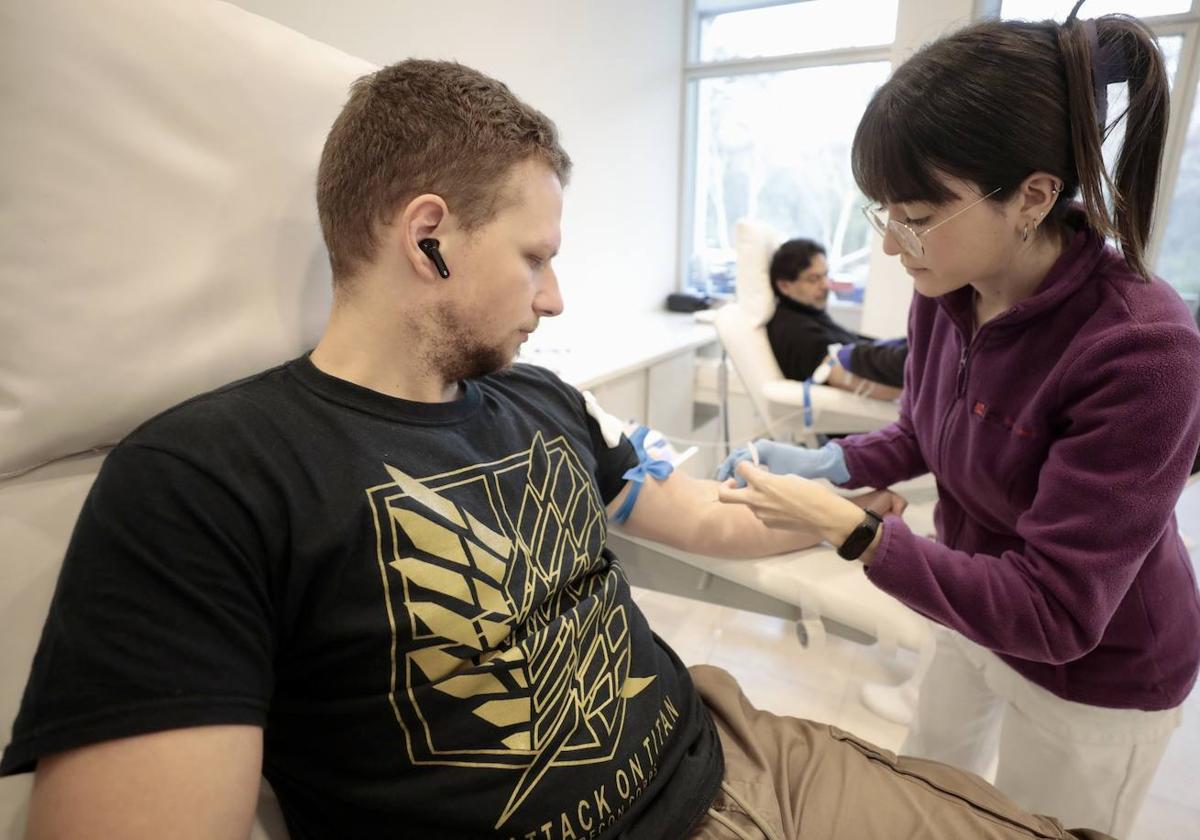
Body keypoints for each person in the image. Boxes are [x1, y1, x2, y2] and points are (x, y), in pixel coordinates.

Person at [1, 59, 1116, 840]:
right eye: (535, 257)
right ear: (428, 237)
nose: (556, 296)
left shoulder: (539, 400)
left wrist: (838, 515)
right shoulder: (208, 477)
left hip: (744, 752)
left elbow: (706, 514)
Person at [717, 8, 1200, 837]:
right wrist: (831, 465)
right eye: (884, 213)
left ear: (1034, 197)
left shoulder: (1142, 350)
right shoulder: (949, 288)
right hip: (974, 611)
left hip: (1096, 663)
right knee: (932, 786)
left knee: (1037, 825)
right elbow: (922, 431)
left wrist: (855, 532)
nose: (897, 246)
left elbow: (1057, 612)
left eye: (916, 214)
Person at [766, 238, 905, 400]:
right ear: (784, 286)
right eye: (813, 279)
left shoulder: (811, 314)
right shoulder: (795, 331)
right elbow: (842, 376)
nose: (825, 285)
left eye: (825, 275)